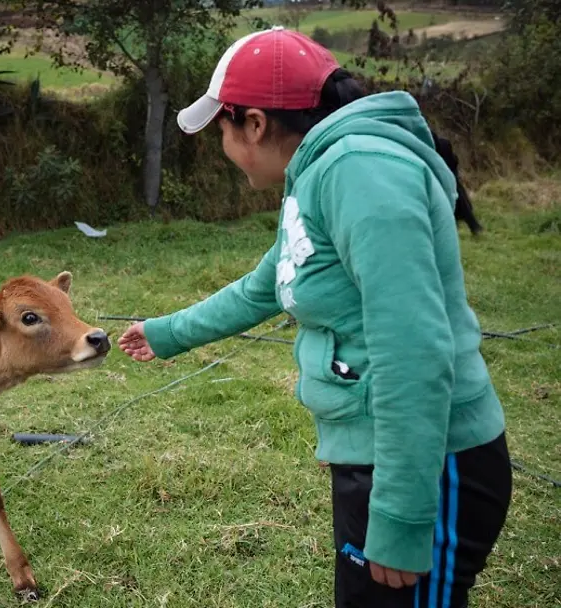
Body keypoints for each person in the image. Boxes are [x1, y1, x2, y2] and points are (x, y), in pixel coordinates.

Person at [118, 27, 511, 608]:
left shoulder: (359, 172)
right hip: (374, 455)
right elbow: (263, 287)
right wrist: (166, 332)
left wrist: (402, 517)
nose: (222, 147)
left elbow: (414, 348)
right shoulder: (318, 174)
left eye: (220, 130)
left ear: (253, 123)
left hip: (430, 465)